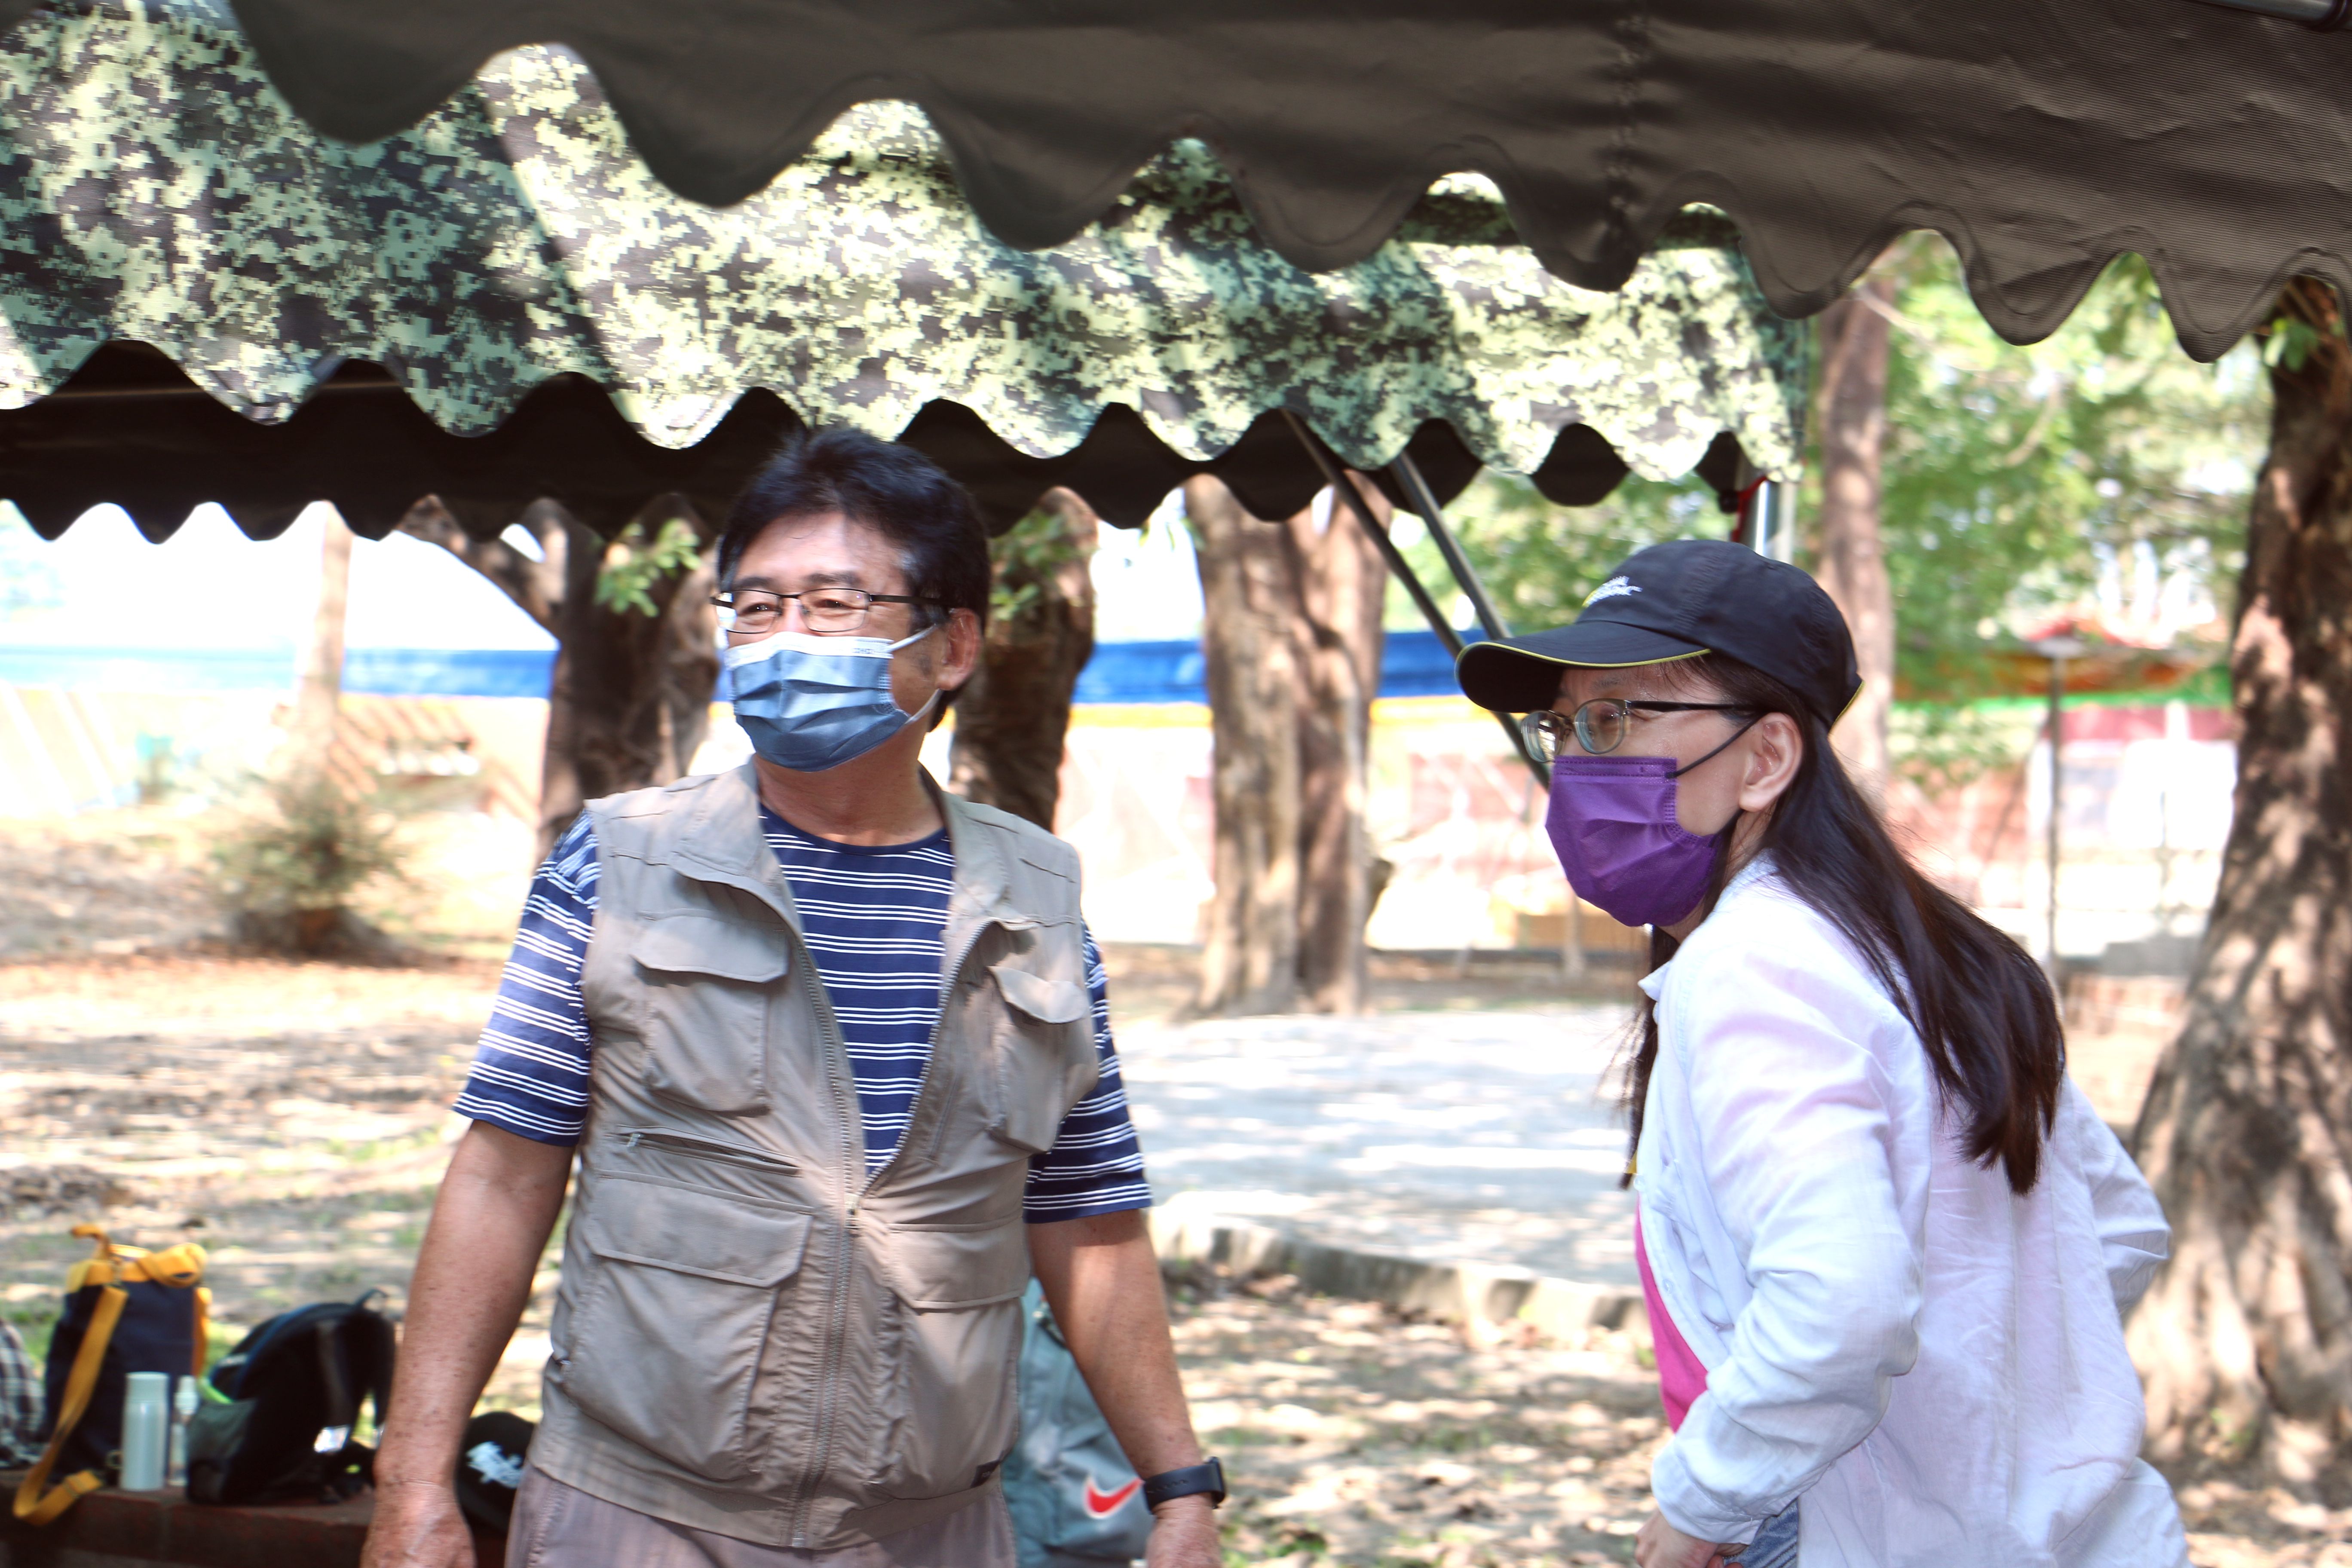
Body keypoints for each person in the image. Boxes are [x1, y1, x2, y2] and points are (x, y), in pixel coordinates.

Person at [361, 430, 1224, 1568]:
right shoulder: (620, 863)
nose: (784, 640)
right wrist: (414, 1481)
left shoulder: (1037, 899)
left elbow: (1089, 1216)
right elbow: (504, 1174)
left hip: (928, 1531)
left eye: (832, 604)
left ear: (952, 644)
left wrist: (1179, 1488)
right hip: (640, 1518)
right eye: (757, 608)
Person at [1456, 540, 2187, 1568]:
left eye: (1617, 718)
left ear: (1765, 759)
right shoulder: (1930, 952)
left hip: (1842, 1531)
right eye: (1564, 726)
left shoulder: (1757, 965)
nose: (1578, 762)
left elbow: (1842, 1306)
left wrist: (1709, 1498)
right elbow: (2117, 1229)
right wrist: (1977, 1412)